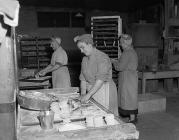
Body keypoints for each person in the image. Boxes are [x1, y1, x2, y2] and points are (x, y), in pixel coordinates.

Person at [74, 34, 118, 116]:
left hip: (104, 89)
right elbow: (83, 78)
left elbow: (100, 80)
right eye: (80, 48)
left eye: (82, 47)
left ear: (89, 44)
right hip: (92, 91)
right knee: (94, 115)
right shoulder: (84, 59)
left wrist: (88, 95)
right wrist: (83, 93)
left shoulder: (102, 57)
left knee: (106, 116)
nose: (81, 51)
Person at [111, 34, 138, 123]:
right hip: (131, 78)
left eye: (121, 43)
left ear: (125, 43)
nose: (120, 45)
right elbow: (125, 63)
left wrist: (114, 62)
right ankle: (133, 117)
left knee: (128, 98)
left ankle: (132, 120)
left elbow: (120, 67)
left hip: (127, 79)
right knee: (131, 98)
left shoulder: (127, 53)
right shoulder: (131, 51)